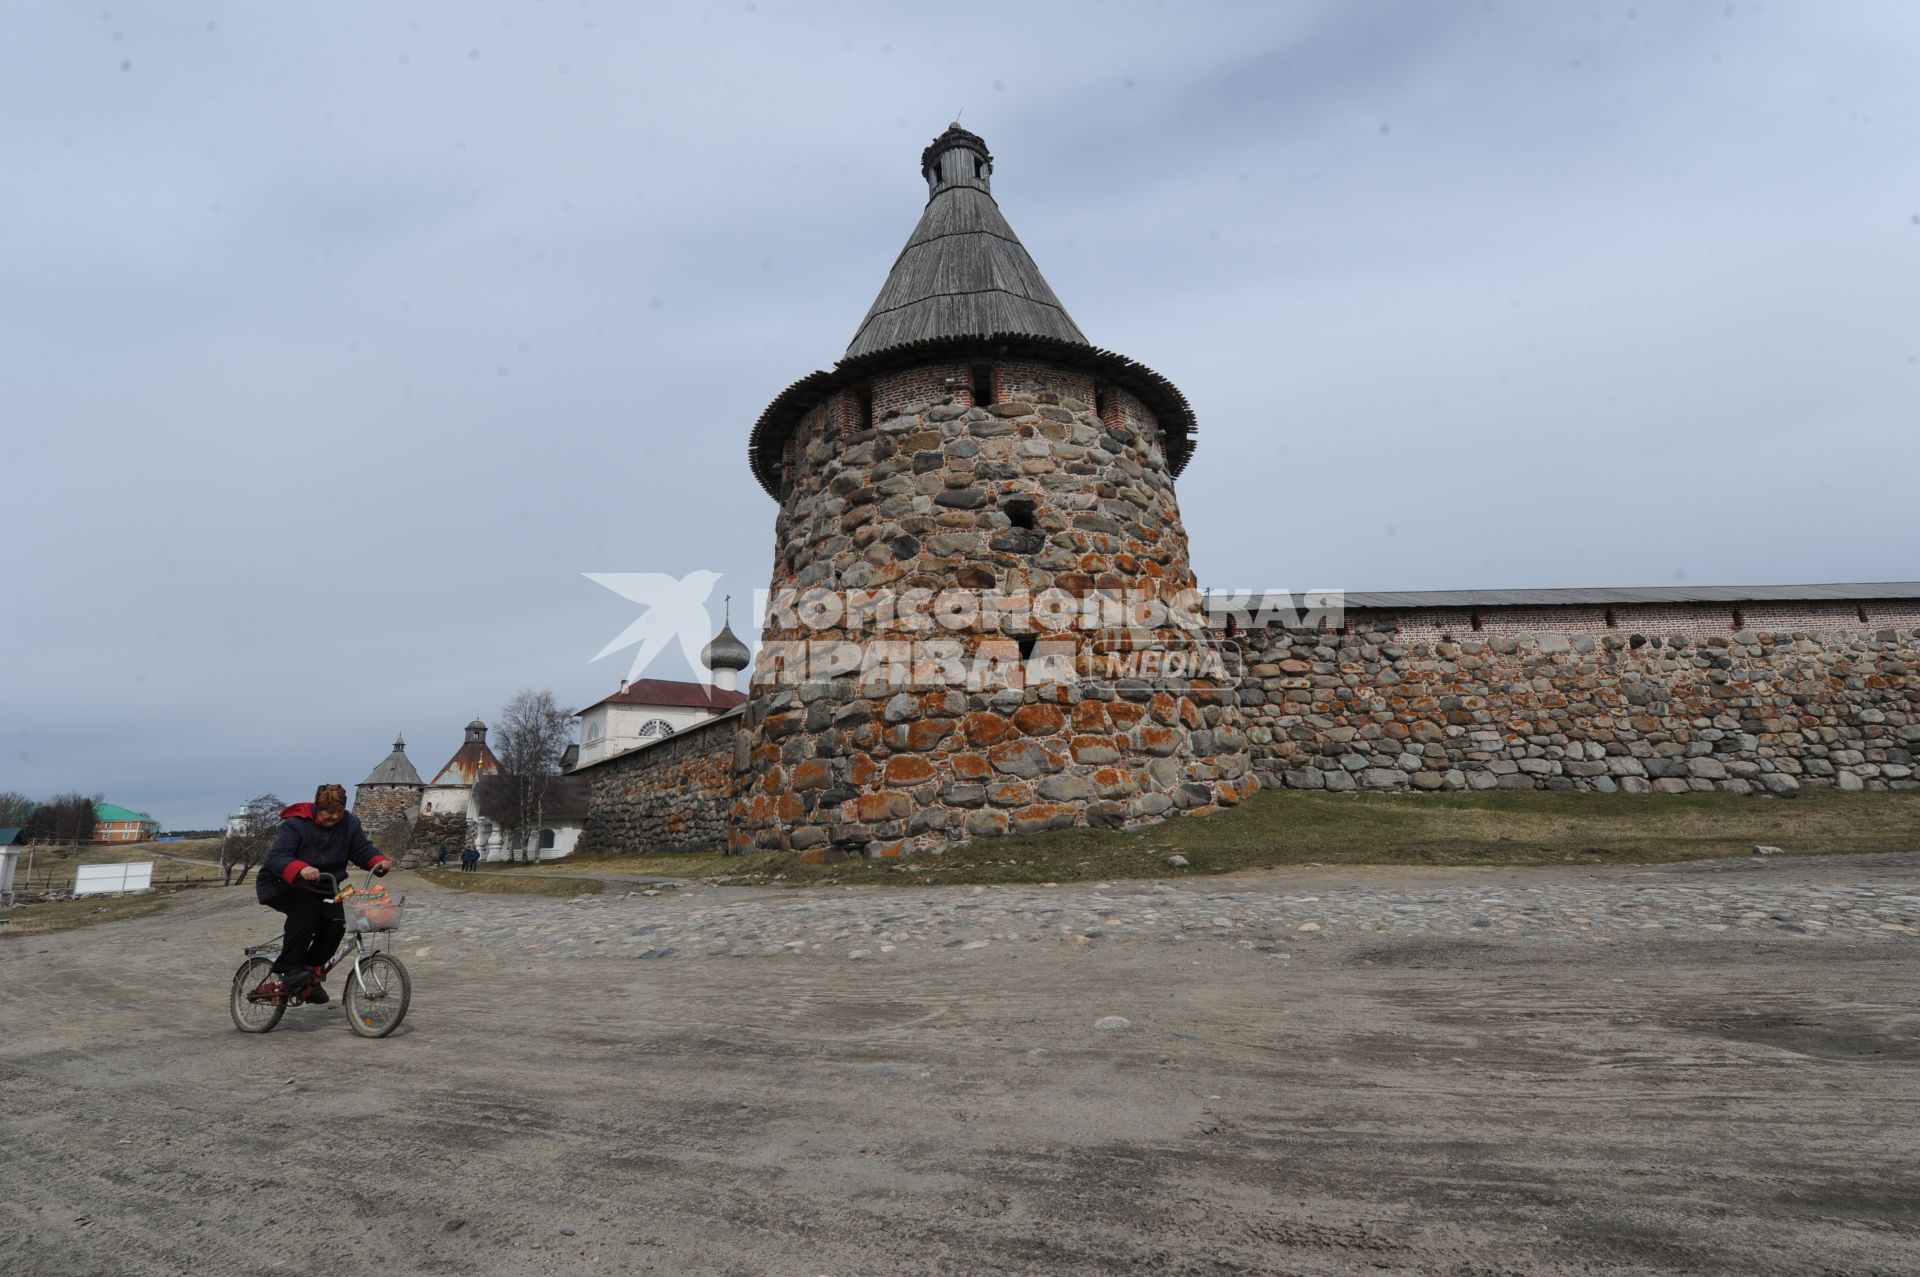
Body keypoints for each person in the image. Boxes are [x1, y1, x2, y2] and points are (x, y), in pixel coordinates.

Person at [251, 783, 392, 1003]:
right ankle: (291, 970)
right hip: (281, 884)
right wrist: (300, 868)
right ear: (317, 808)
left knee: (338, 920)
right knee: (306, 909)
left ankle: (309, 976)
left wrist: (377, 860)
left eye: (338, 811)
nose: (333, 816)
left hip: (324, 886)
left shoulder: (350, 824)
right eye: (327, 811)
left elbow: (361, 849)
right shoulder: (296, 825)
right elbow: (277, 857)